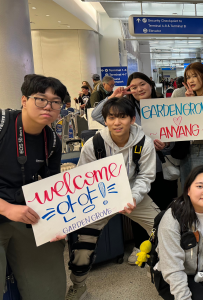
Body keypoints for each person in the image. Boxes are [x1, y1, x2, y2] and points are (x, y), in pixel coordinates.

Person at [66, 97, 160, 299]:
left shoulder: (144, 142)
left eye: (123, 117)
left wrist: (133, 197)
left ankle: (162, 272)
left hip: (133, 195)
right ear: (105, 120)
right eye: (112, 117)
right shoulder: (94, 144)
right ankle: (78, 285)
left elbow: (146, 176)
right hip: (101, 198)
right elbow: (82, 178)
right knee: (83, 243)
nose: (117, 122)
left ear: (132, 119)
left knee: (163, 228)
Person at [92, 72, 179, 265]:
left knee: (162, 207)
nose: (139, 89)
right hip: (135, 168)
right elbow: (97, 115)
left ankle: (163, 246)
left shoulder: (164, 106)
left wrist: (165, 146)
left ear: (150, 84)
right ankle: (141, 245)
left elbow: (175, 136)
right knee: (138, 206)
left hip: (160, 165)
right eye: (134, 86)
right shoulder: (126, 108)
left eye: (142, 84)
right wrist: (114, 96)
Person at [0, 75, 65, 300]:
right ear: (24, 100)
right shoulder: (2, 124)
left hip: (26, 215)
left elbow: (52, 187)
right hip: (5, 209)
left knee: (50, 291)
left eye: (55, 101)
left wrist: (60, 221)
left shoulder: (53, 141)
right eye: (40, 99)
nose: (48, 106)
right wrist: (6, 208)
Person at [154, 165, 203, 300]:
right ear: (188, 190)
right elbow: (173, 268)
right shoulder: (173, 218)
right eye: (199, 186)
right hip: (173, 275)